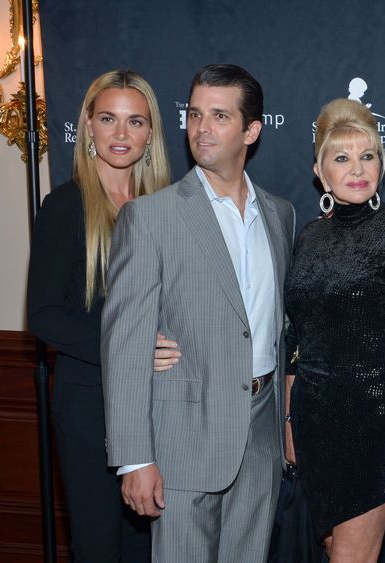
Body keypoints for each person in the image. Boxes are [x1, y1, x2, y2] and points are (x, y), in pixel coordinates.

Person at [101, 64, 295, 561]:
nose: (201, 127)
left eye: (219, 116)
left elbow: (277, 329)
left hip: (261, 432)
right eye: (194, 114)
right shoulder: (152, 217)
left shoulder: (281, 215)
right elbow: (124, 345)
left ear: (251, 131)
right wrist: (134, 459)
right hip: (182, 437)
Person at [27, 69, 171, 562]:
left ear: (151, 133)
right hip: (90, 406)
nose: (121, 134)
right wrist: (130, 349)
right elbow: (44, 315)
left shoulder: (165, 208)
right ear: (88, 125)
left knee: (148, 548)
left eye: (135, 122)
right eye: (108, 119)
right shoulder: (66, 207)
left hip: (159, 407)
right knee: (98, 548)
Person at [283, 98, 385, 563]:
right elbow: (297, 339)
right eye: (341, 157)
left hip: (371, 432)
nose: (357, 169)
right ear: (319, 170)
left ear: (381, 164)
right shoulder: (309, 237)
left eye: (367, 156)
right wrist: (290, 422)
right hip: (314, 426)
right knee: (332, 549)